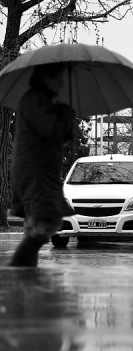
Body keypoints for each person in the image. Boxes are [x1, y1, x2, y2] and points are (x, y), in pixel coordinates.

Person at [9, 63, 76, 267]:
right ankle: (15, 270)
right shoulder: (35, 100)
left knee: (36, 224)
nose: (62, 82)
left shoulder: (41, 101)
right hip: (35, 173)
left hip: (39, 172)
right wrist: (65, 114)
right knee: (48, 222)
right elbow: (50, 129)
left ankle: (25, 274)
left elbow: (52, 134)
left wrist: (65, 123)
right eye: (58, 78)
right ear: (45, 78)